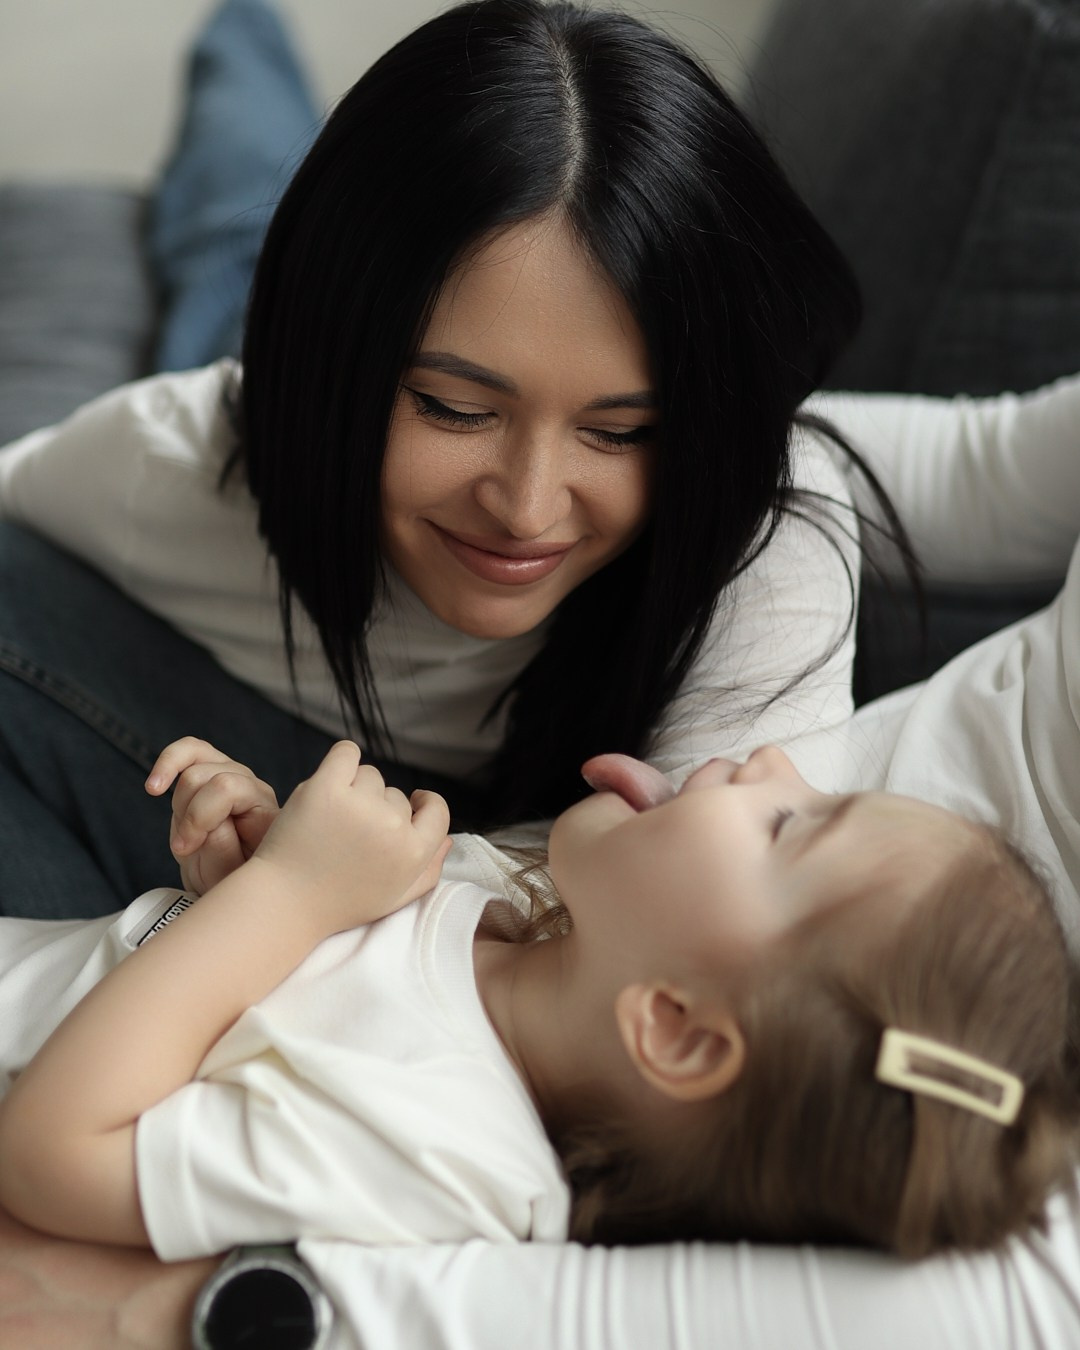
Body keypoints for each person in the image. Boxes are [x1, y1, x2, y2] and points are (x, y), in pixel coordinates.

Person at [0, 0, 899, 920]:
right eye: (455, 409)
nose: (527, 506)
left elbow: (723, 937)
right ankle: (244, 35)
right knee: (227, 245)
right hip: (261, 372)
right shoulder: (153, 465)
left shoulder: (763, 517)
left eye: (620, 431)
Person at [0, 732, 1075, 1264]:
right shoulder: (502, 907)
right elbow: (236, 1026)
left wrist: (288, 898)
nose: (776, 760)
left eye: (794, 826)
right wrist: (250, 884)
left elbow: (52, 1154)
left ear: (677, 1030)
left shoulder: (443, 1160)